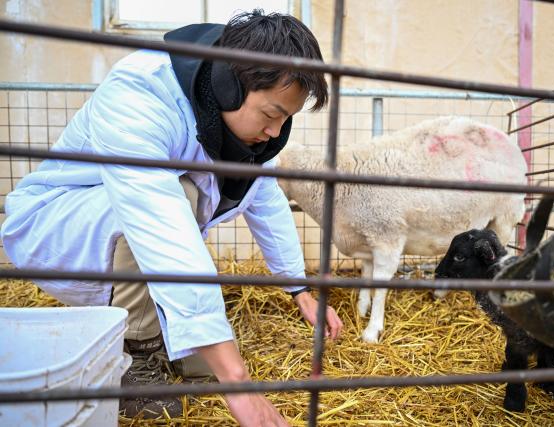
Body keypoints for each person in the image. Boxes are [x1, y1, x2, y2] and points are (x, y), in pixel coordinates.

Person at [1, 9, 343, 426]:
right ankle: (134, 356)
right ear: (230, 86)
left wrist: (300, 289)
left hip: (131, 229)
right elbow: (159, 223)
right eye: (271, 115)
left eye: (285, 120)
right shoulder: (139, 94)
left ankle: (165, 338)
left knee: (202, 353)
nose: (275, 133)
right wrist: (237, 381)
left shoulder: (237, 130)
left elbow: (264, 198)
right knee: (179, 196)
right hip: (56, 224)